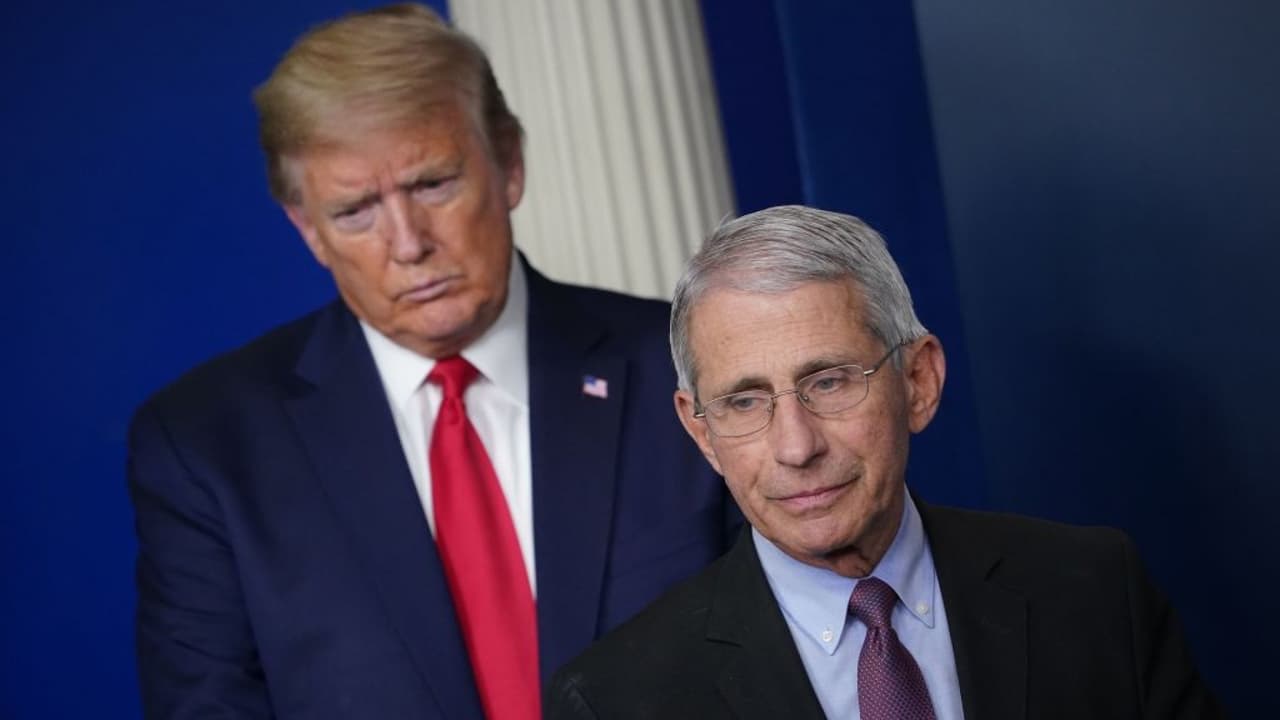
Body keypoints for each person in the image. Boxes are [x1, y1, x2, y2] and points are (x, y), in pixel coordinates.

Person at [127, 4, 735, 718]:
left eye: (433, 184)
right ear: (307, 228)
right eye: (355, 211)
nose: (409, 243)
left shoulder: (685, 362)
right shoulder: (209, 446)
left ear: (509, 165)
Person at [545, 205, 1222, 719]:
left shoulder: (1095, 592)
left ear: (919, 381)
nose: (796, 447)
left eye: (829, 382)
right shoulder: (614, 701)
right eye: (744, 402)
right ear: (701, 432)